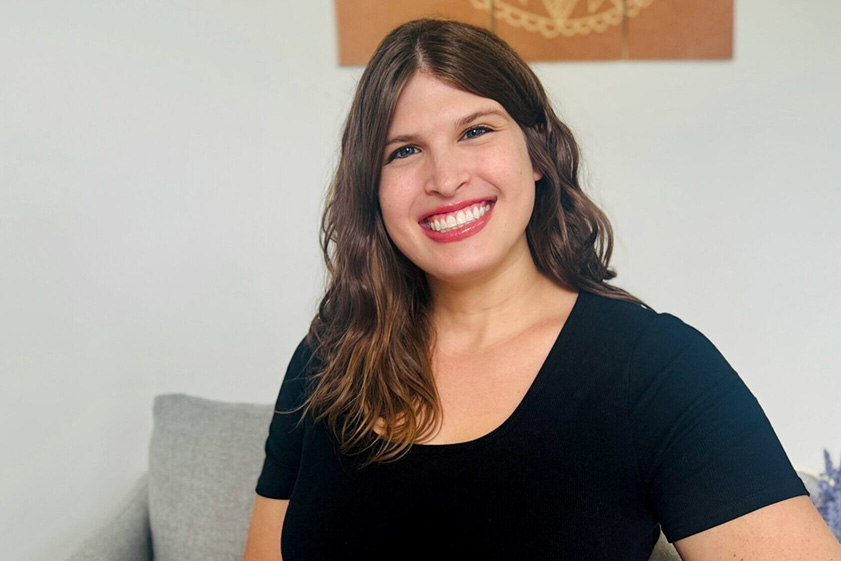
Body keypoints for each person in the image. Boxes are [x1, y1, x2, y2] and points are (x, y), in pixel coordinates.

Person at [243, 19, 841, 561]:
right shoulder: (328, 358)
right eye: (403, 151)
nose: (446, 179)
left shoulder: (655, 368)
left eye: (475, 130)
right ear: (371, 189)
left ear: (537, 152)